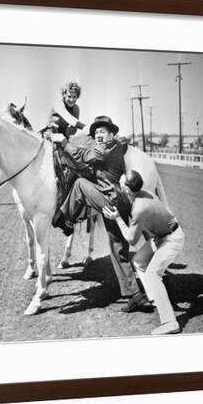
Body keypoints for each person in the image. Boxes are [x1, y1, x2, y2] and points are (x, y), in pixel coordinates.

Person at [51, 116, 152, 310]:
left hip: (111, 199)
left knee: (80, 183)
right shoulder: (110, 146)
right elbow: (85, 151)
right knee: (117, 249)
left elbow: (82, 156)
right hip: (117, 203)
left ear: (112, 134)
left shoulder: (105, 149)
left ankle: (67, 220)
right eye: (96, 132)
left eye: (102, 131)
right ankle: (136, 294)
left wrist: (64, 142)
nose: (98, 135)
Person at [103, 169, 185, 335]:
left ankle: (170, 322)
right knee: (139, 261)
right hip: (162, 236)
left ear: (127, 188)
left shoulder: (140, 207)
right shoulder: (142, 193)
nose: (120, 177)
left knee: (154, 273)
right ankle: (155, 298)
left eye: (123, 179)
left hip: (171, 239)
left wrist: (118, 218)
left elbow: (131, 239)